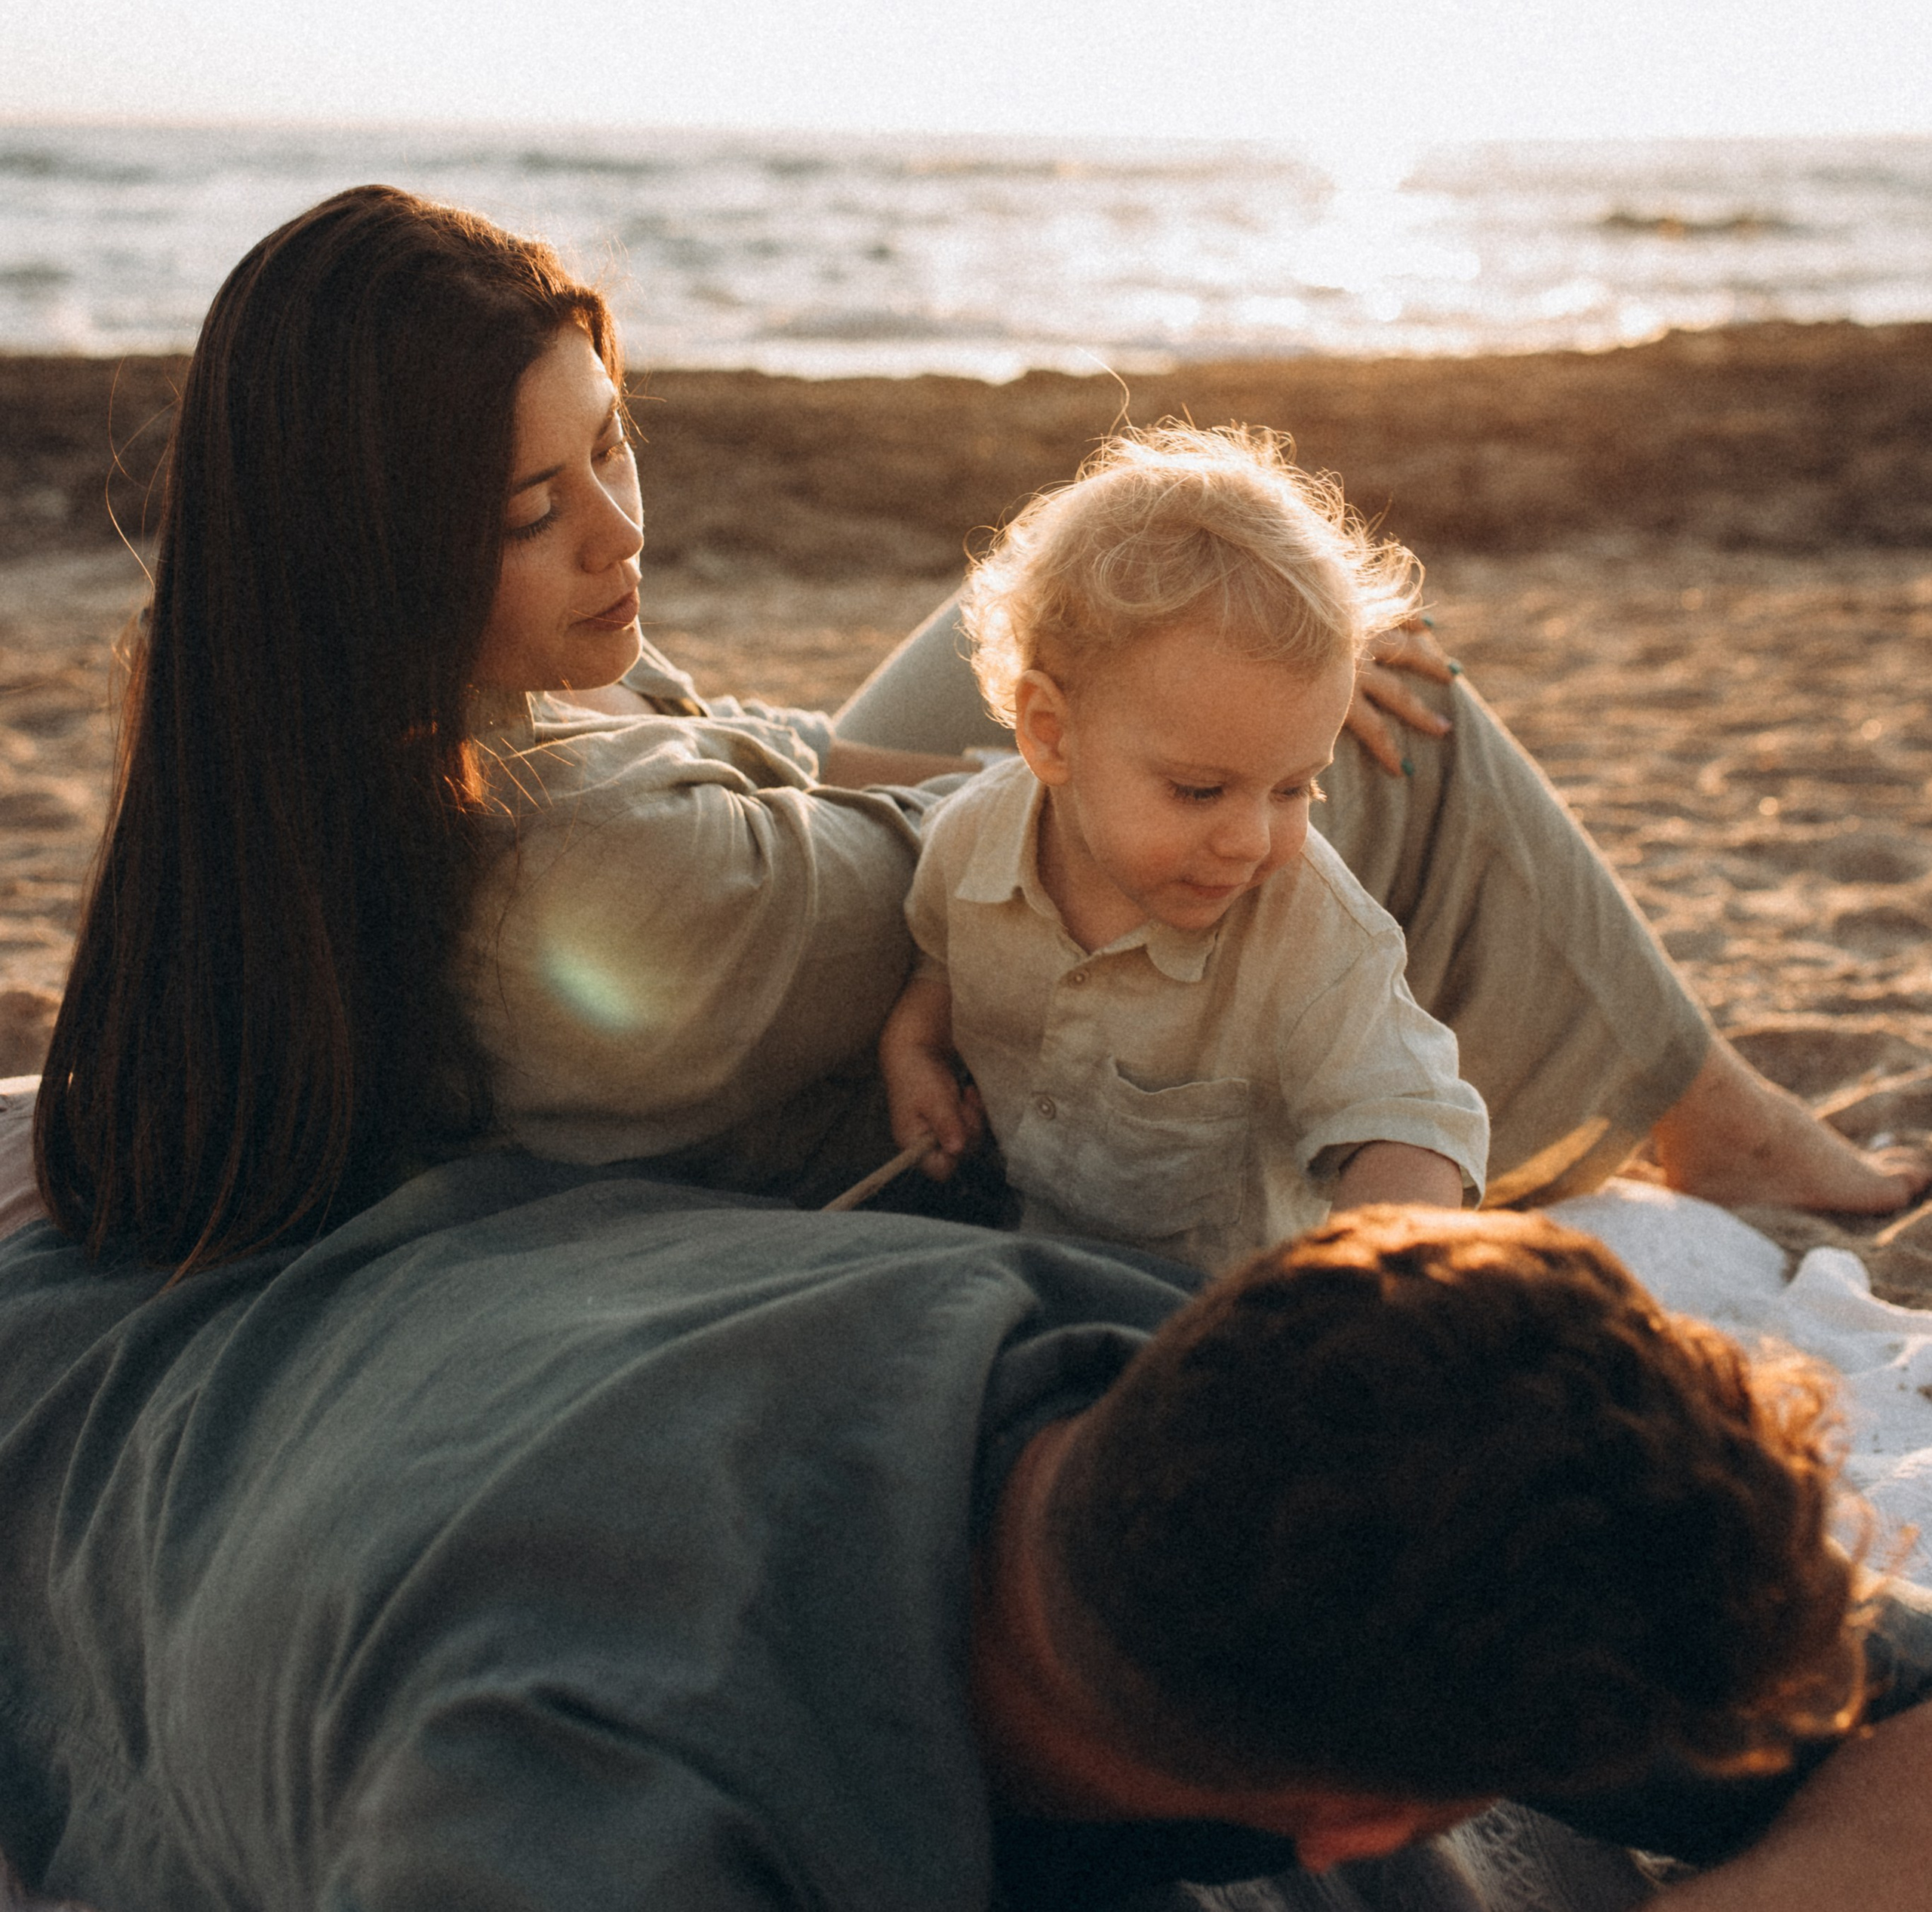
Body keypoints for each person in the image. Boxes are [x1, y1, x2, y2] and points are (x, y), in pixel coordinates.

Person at [30, 183, 1926, 1274]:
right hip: (848, 1076)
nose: (619, 530)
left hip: (720, 922)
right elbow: (1000, 843)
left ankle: (1676, 1086)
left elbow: (779, 742)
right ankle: (1718, 1127)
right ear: (367, 542)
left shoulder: (314, 722)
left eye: (608, 439)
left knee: (1142, 575)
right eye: (535, 511)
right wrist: (1189, 699)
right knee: (1291, 686)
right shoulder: (611, 886)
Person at [2, 1144, 1929, 1911]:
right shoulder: (572, 1809)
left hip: (379, 1289)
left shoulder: (1236, 1401)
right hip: (82, 1389)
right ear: (1354, 1820)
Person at [878, 426, 1488, 1268]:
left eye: (1292, 788)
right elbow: (938, 966)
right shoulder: (967, 842)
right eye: (1200, 790)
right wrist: (912, 1054)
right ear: (1051, 735)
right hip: (1022, 1254)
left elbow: (1411, 1124)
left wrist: (1364, 1279)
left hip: (1212, 1307)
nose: (1251, 840)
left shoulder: (1309, 927)